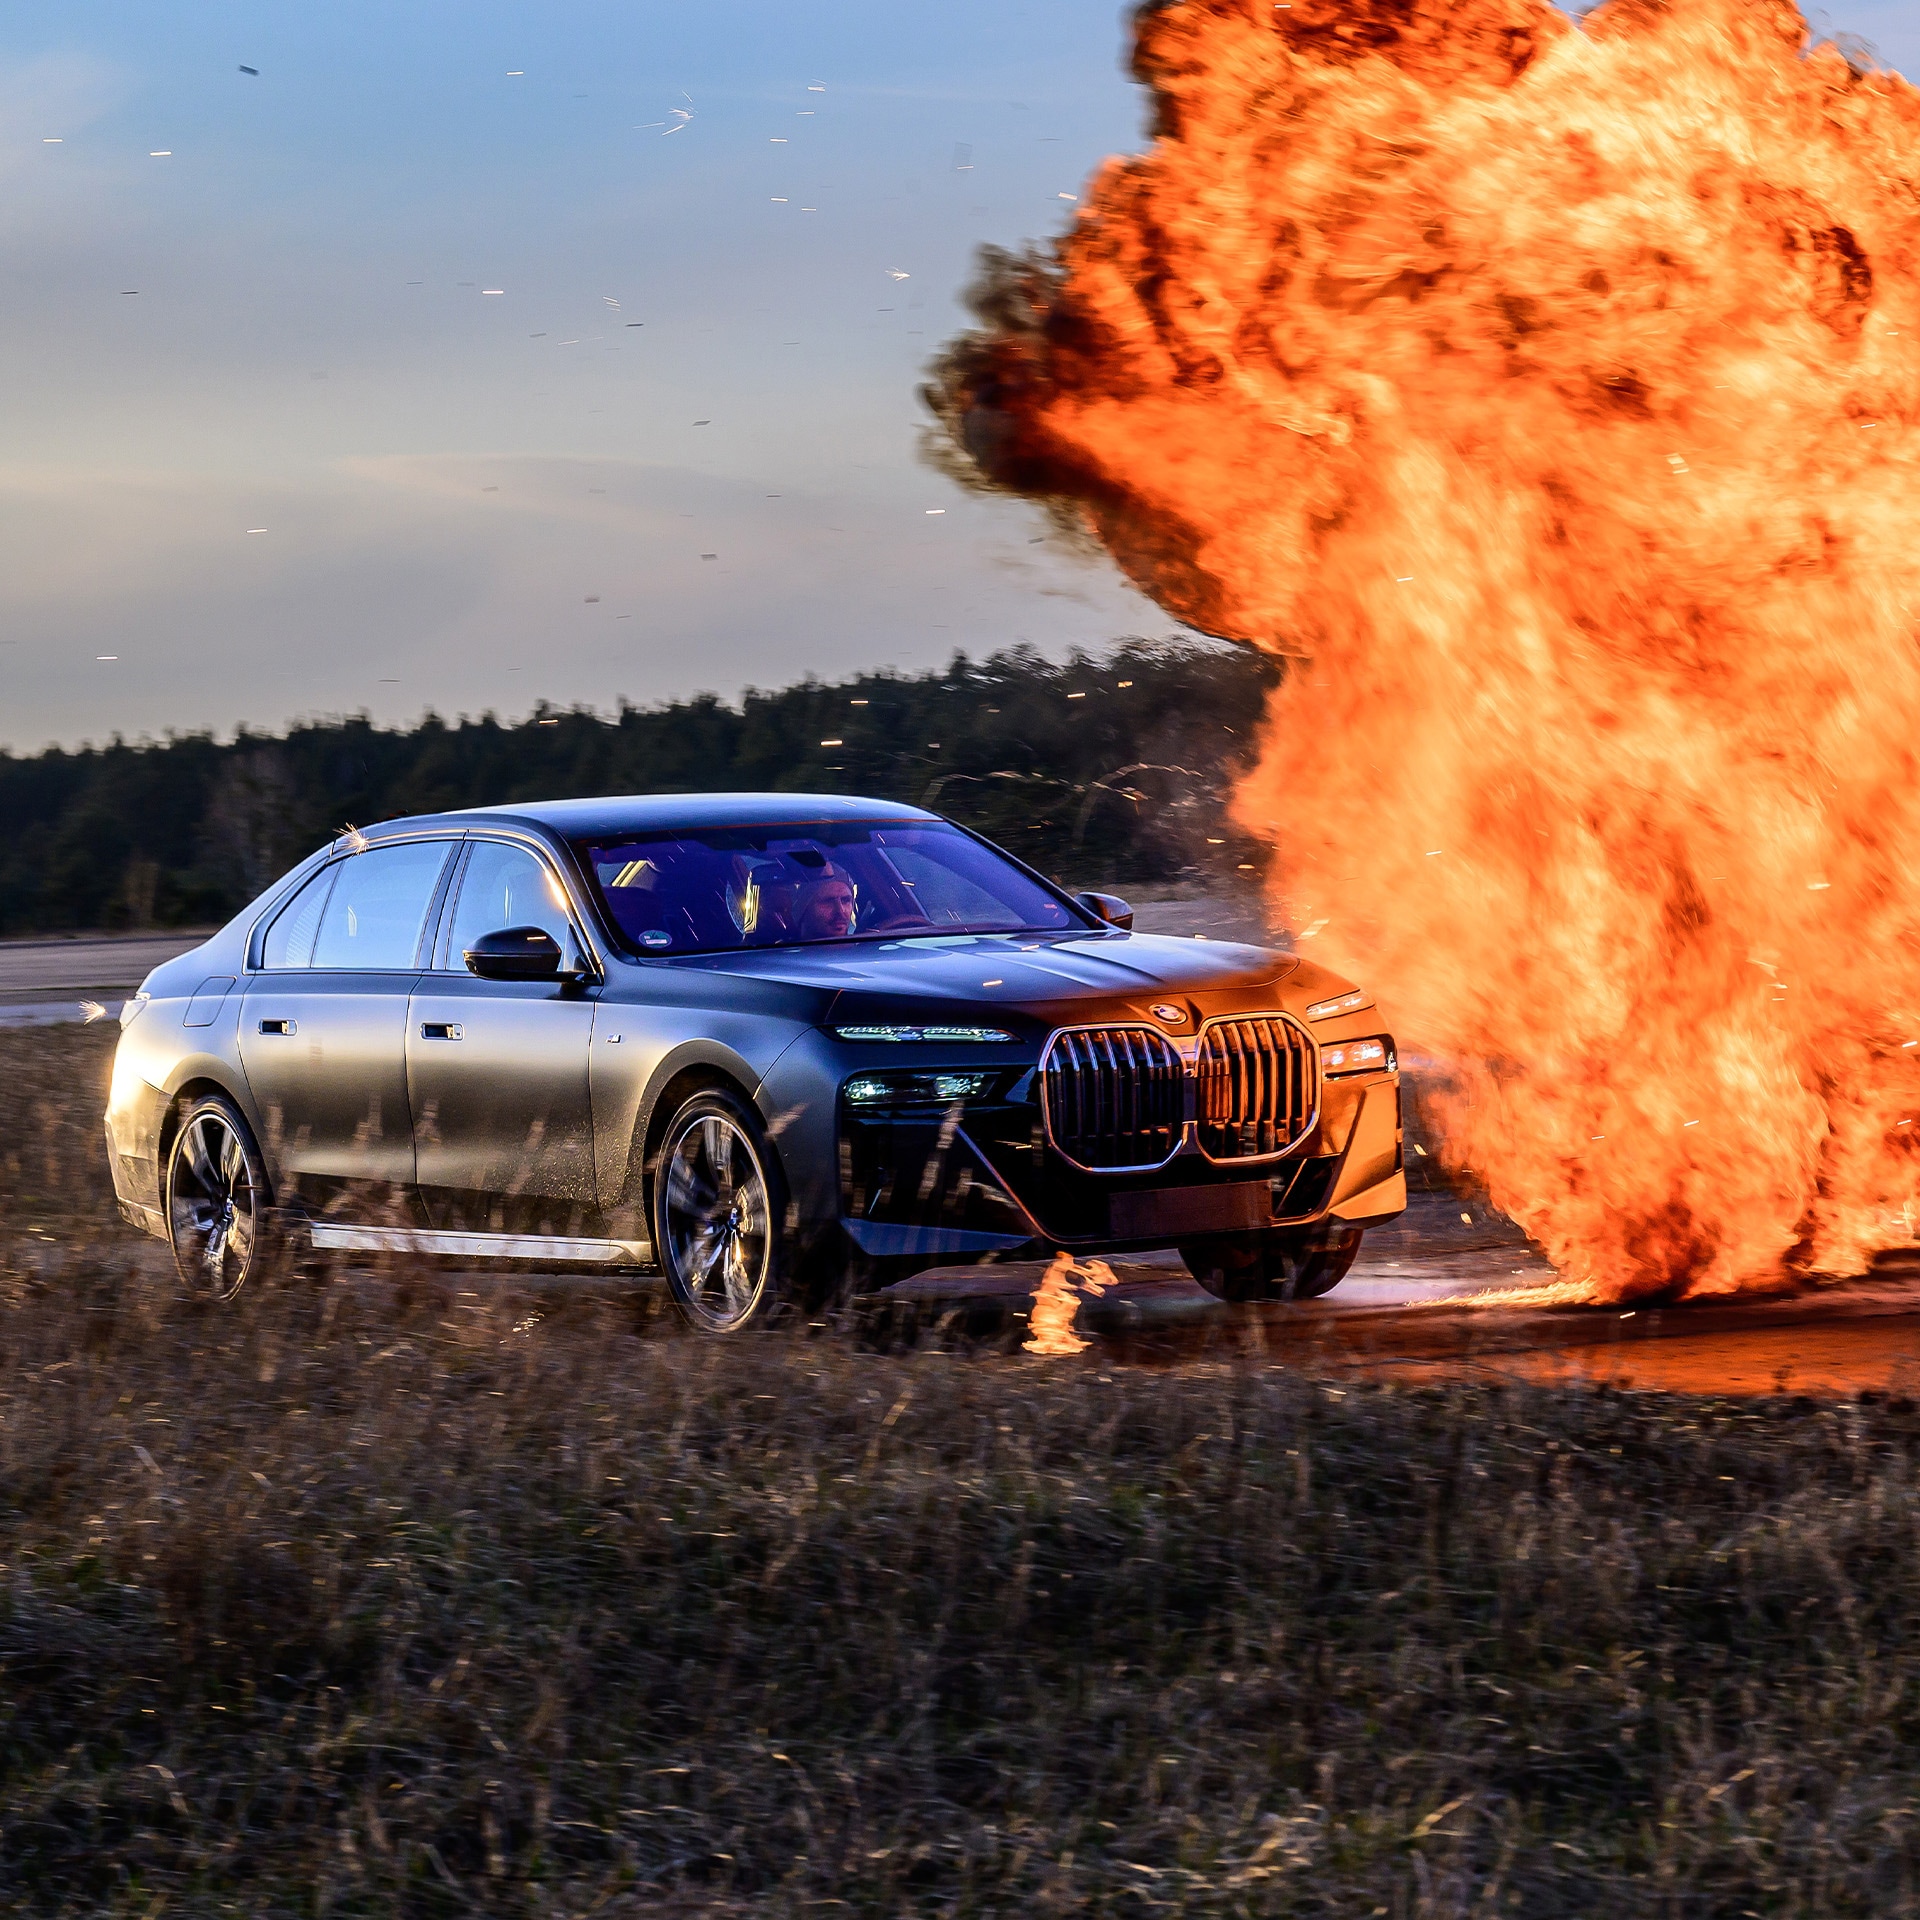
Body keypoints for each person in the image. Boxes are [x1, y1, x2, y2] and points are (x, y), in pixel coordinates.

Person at [790, 867, 855, 940]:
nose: (840, 911)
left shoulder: (863, 947)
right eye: (828, 902)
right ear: (803, 909)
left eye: (845, 900)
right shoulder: (780, 949)